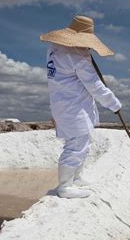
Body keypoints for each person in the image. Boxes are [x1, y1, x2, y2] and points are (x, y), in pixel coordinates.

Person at [40, 15, 122, 199]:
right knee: (76, 145)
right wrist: (114, 104)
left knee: (82, 142)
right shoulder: (78, 57)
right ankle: (65, 187)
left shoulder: (54, 49)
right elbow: (95, 86)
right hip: (74, 107)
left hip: (61, 104)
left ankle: (76, 177)